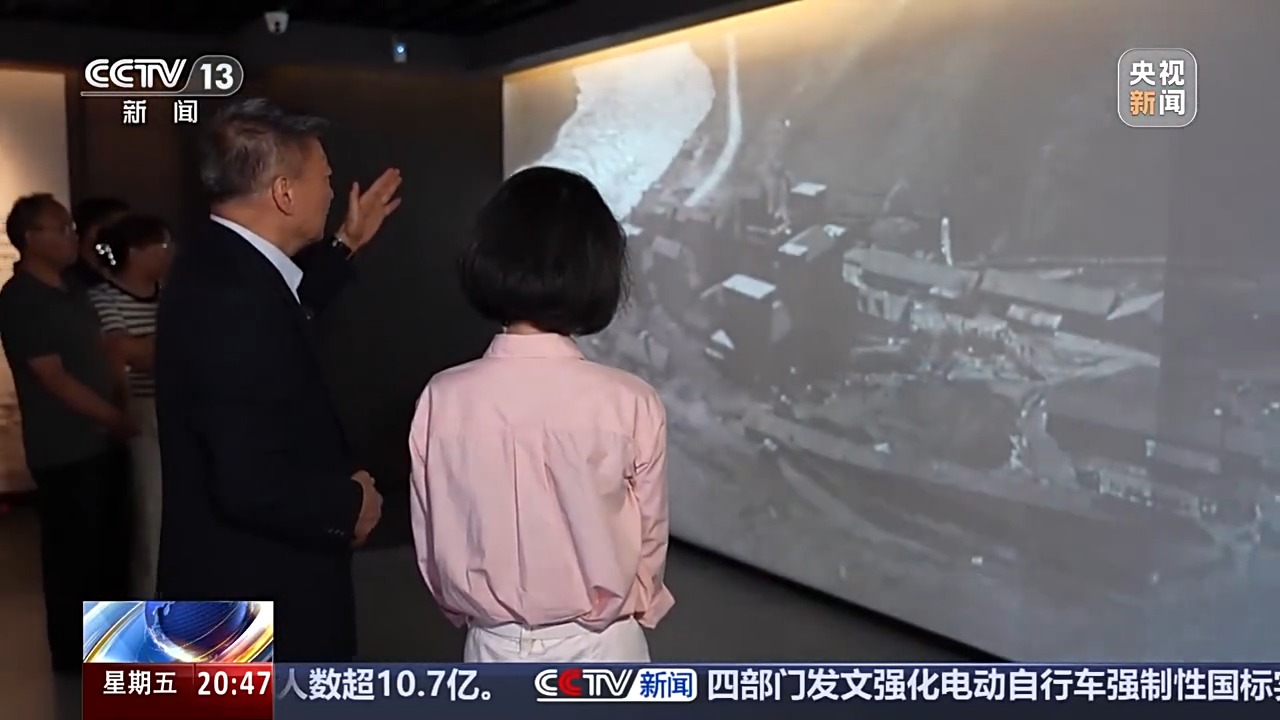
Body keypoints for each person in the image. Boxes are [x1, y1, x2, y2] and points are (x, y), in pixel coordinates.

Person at [154, 98, 401, 661]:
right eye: (325, 179)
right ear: (285, 192)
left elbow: (285, 311)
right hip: (249, 599)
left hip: (224, 585)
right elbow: (248, 479)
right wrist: (349, 505)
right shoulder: (231, 297)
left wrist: (346, 244)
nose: (332, 193)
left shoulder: (220, 264)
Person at [409, 166, 675, 663]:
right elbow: (649, 543)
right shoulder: (630, 401)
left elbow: (432, 541)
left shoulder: (442, 397)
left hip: (489, 644)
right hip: (605, 648)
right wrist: (638, 602)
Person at [0, 193, 134, 675]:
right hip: (65, 448)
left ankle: (115, 650)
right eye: (60, 228)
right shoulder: (21, 299)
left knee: (109, 551)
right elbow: (53, 378)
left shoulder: (73, 287)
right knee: (73, 556)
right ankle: (74, 657)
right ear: (30, 238)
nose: (71, 236)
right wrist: (113, 417)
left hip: (102, 441)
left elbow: (103, 349)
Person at [87, 214, 173, 598]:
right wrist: (168, 346)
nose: (170, 253)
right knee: (150, 519)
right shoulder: (102, 298)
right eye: (163, 245)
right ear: (136, 252)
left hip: (178, 410)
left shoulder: (170, 293)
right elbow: (122, 352)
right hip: (139, 414)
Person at [70, 197, 130, 287]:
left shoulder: (120, 270)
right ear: (95, 231)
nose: (129, 235)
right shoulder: (71, 279)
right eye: (122, 228)